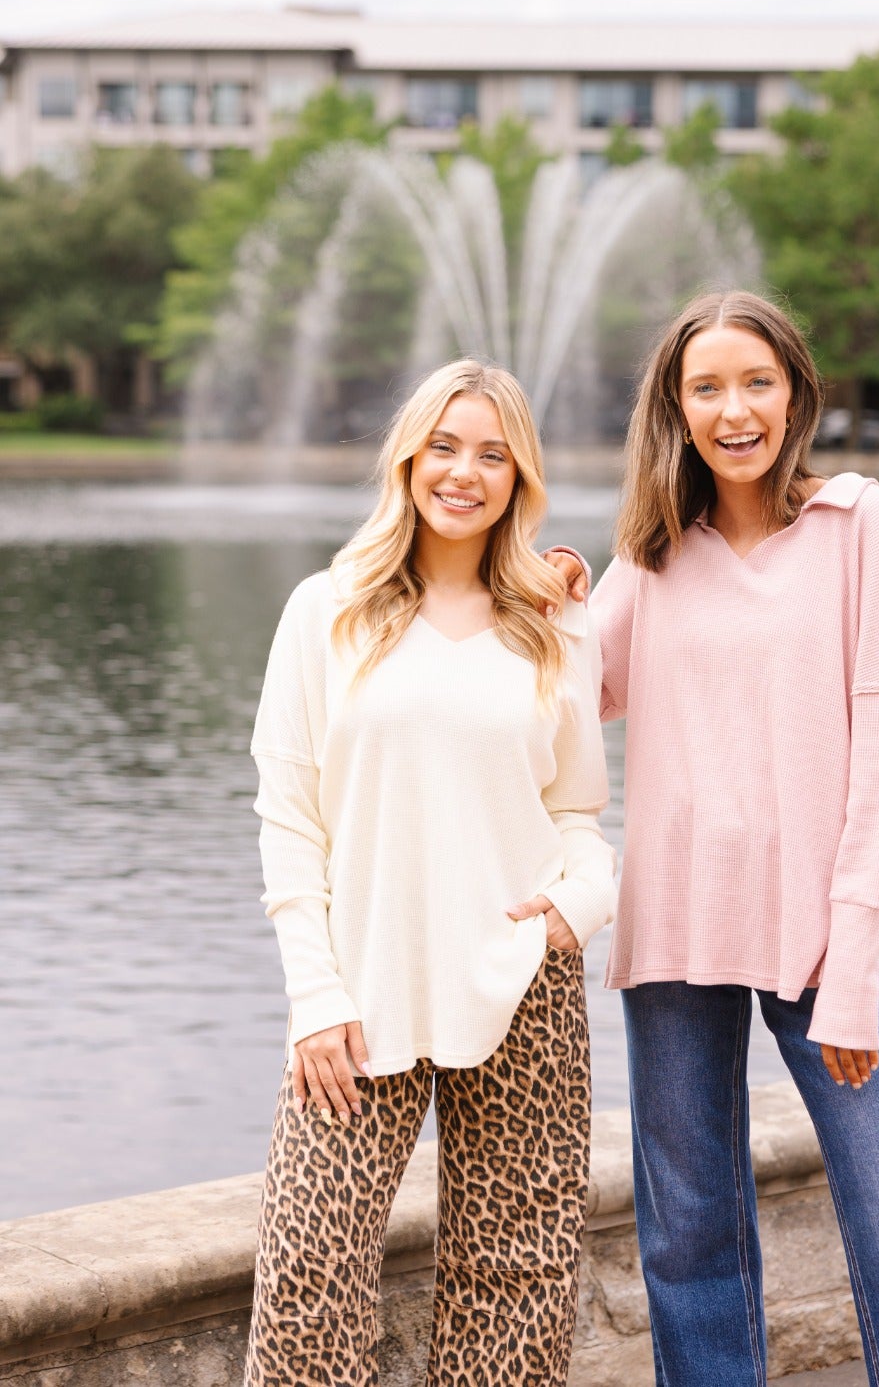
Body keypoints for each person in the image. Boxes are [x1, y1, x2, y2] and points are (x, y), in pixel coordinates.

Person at [544, 293, 879, 1387]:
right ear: (676, 408)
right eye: (705, 388)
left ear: (796, 393)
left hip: (820, 932)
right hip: (673, 927)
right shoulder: (655, 550)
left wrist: (855, 956)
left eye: (755, 382)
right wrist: (557, 593)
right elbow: (574, 696)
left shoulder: (856, 524)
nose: (734, 410)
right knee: (688, 1238)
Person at [243, 360, 615, 1387]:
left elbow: (577, 810)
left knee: (517, 1278)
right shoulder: (325, 611)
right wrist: (314, 995)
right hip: (360, 991)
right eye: (444, 446)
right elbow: (288, 818)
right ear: (407, 458)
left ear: (519, 478)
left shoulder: (554, 620)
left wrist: (579, 906)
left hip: (523, 975)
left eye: (493, 454)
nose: (464, 472)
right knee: (309, 1273)